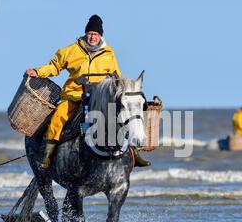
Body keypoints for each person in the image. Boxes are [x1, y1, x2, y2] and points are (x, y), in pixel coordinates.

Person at [25, 15, 150, 170]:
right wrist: (38, 71)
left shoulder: (108, 54)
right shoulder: (71, 50)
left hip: (99, 97)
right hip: (74, 95)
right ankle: (47, 157)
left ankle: (133, 154)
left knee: (120, 118)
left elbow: (117, 77)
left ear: (100, 36)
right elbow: (54, 66)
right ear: (86, 34)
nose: (92, 37)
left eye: (96, 34)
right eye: (90, 33)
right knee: (58, 117)